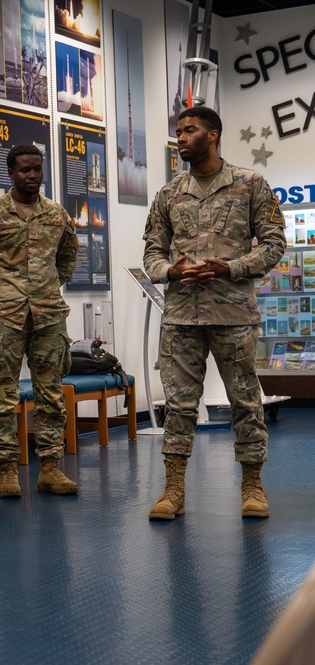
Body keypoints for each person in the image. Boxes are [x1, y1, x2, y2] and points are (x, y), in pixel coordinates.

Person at [142, 106, 286, 521]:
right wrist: (170, 270)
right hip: (182, 317)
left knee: (245, 402)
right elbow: (152, 250)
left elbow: (275, 243)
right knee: (179, 406)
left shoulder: (250, 184)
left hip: (233, 314)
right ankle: (173, 491)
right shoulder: (169, 194)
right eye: (178, 132)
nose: (181, 138)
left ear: (214, 135)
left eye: (190, 131)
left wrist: (233, 267)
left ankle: (252, 486)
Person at [0, 143, 79, 499]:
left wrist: (46, 287)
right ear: (10, 173)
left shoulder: (57, 215)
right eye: (25, 170)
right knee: (2, 395)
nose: (32, 175)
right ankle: (8, 470)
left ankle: (49, 468)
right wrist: (0, 291)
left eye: (37, 169)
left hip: (48, 316)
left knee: (51, 394)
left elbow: (68, 256)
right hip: (4, 318)